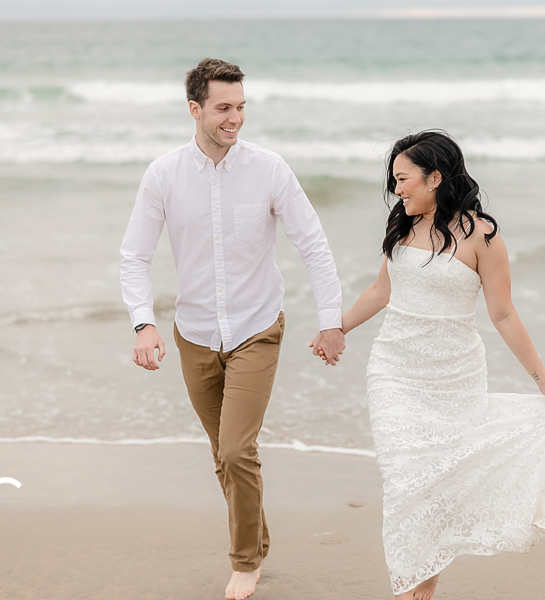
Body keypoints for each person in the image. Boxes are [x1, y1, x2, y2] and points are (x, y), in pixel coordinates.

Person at [120, 58, 346, 600]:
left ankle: (246, 562)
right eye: (224, 108)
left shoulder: (269, 170)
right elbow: (134, 256)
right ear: (195, 109)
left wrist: (331, 321)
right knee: (223, 453)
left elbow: (312, 244)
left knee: (236, 449)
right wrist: (143, 323)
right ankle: (257, 536)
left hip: (257, 328)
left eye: (241, 107)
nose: (235, 118)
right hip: (194, 335)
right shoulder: (163, 175)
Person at [320, 130, 545, 600]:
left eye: (403, 179)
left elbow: (503, 314)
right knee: (404, 479)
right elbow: (381, 291)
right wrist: (337, 328)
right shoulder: (403, 226)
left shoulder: (483, 236)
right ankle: (409, 585)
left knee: (439, 480)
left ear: (435, 177)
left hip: (456, 376)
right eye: (394, 180)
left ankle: (425, 580)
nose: (397, 190)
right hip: (394, 370)